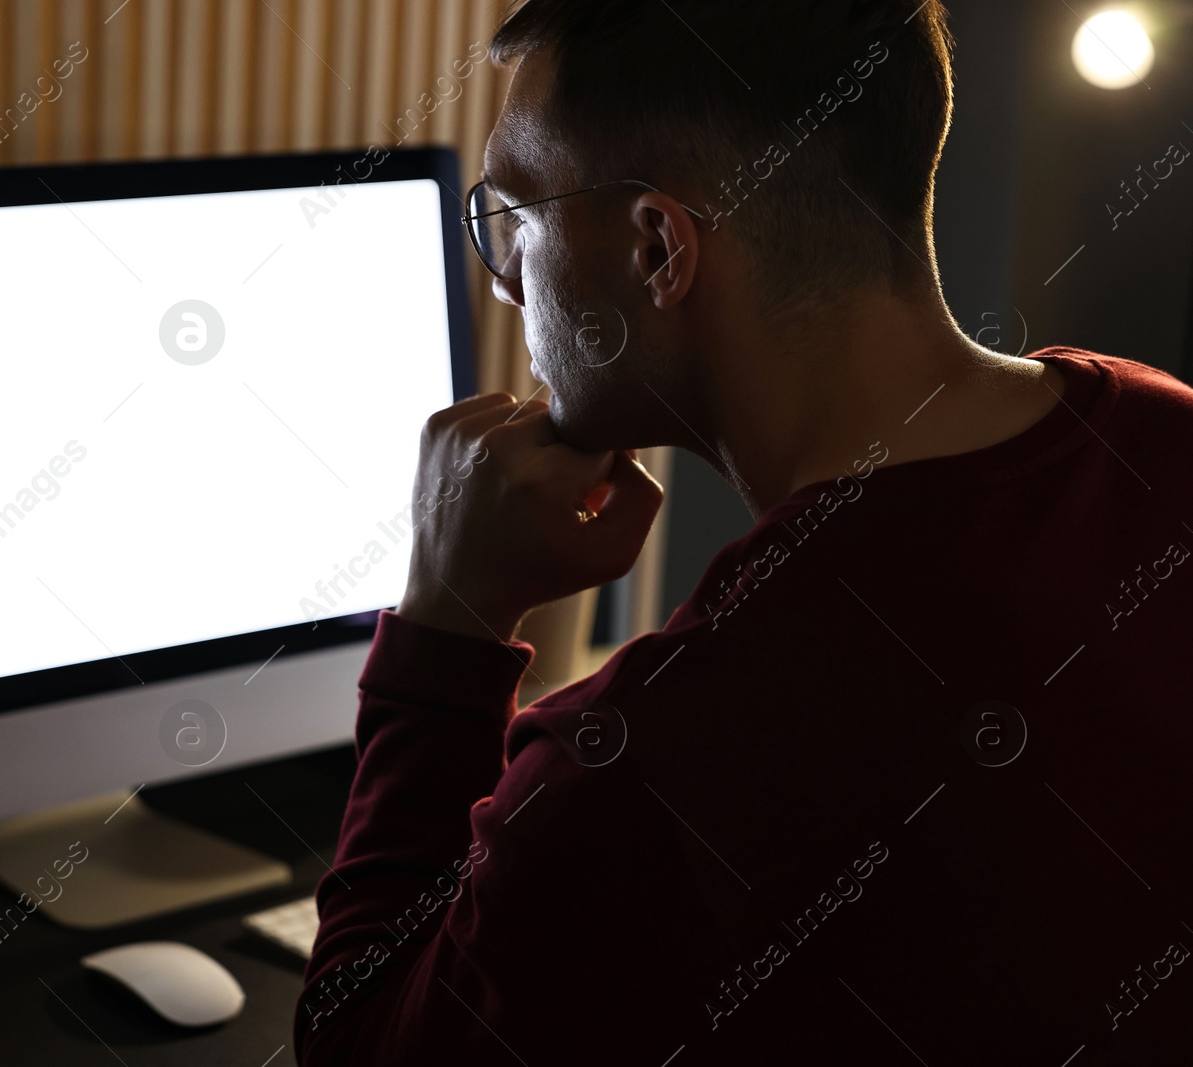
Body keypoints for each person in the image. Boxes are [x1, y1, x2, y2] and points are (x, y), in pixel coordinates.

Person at [296, 1, 1193, 1063]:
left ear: (655, 247)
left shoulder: (645, 767)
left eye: (516, 217)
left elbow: (358, 1041)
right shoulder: (1162, 430)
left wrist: (448, 623)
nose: (504, 275)